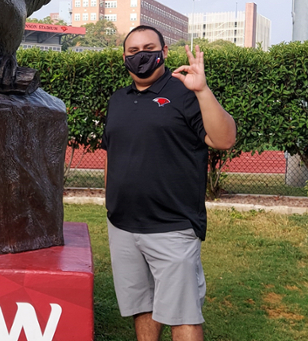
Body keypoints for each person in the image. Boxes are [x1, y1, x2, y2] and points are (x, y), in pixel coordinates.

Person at [101, 25, 236, 341]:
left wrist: (202, 90)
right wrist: (111, 204)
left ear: (163, 52)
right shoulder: (117, 100)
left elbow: (224, 138)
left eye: (149, 48)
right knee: (143, 307)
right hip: (123, 226)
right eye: (133, 52)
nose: (141, 56)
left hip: (171, 227)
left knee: (183, 314)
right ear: (124, 58)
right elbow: (113, 154)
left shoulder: (185, 92)